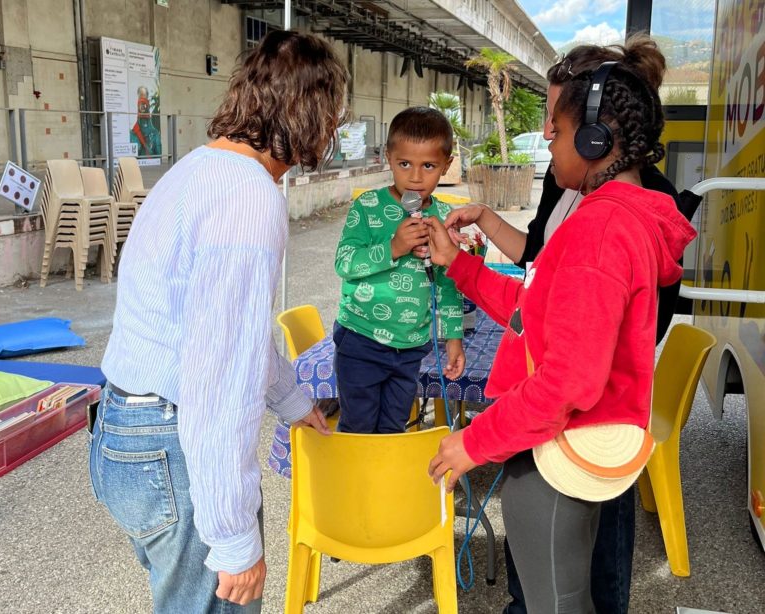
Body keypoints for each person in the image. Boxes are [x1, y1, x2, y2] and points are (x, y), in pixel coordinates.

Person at [426, 50, 696, 613]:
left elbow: (569, 380)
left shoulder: (598, 231)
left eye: (561, 127)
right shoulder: (620, 218)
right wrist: (461, 265)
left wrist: (473, 442)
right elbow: (535, 311)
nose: (548, 136)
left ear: (596, 139)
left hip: (553, 452)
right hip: (569, 442)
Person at [89, 31, 346, 613]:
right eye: (333, 115)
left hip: (123, 432)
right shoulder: (247, 199)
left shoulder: (197, 169)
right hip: (171, 445)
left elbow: (226, 337)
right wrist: (232, 537)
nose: (333, 132)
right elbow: (218, 380)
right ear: (309, 113)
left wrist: (289, 398)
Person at [333, 106, 465, 433]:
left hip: (410, 347)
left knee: (394, 427)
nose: (416, 177)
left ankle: (384, 484)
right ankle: (355, 485)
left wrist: (453, 338)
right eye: (405, 164)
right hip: (361, 340)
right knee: (359, 429)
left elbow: (450, 284)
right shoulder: (367, 207)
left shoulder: (446, 217)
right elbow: (344, 263)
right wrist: (393, 247)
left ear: (446, 166)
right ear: (389, 158)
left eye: (429, 166)